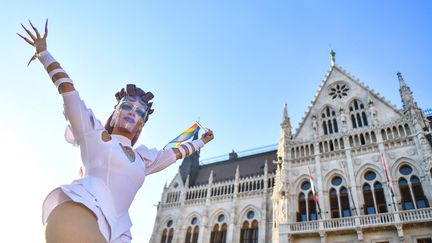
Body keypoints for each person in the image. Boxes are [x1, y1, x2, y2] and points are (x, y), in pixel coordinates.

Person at [18, 20, 214, 243]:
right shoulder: (94, 134)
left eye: (140, 112)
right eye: (127, 107)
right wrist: (44, 54)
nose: (133, 112)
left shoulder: (143, 159)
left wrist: (201, 143)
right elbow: (68, 90)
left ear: (142, 124)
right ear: (116, 113)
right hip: (80, 211)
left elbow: (174, 152)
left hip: (116, 231)